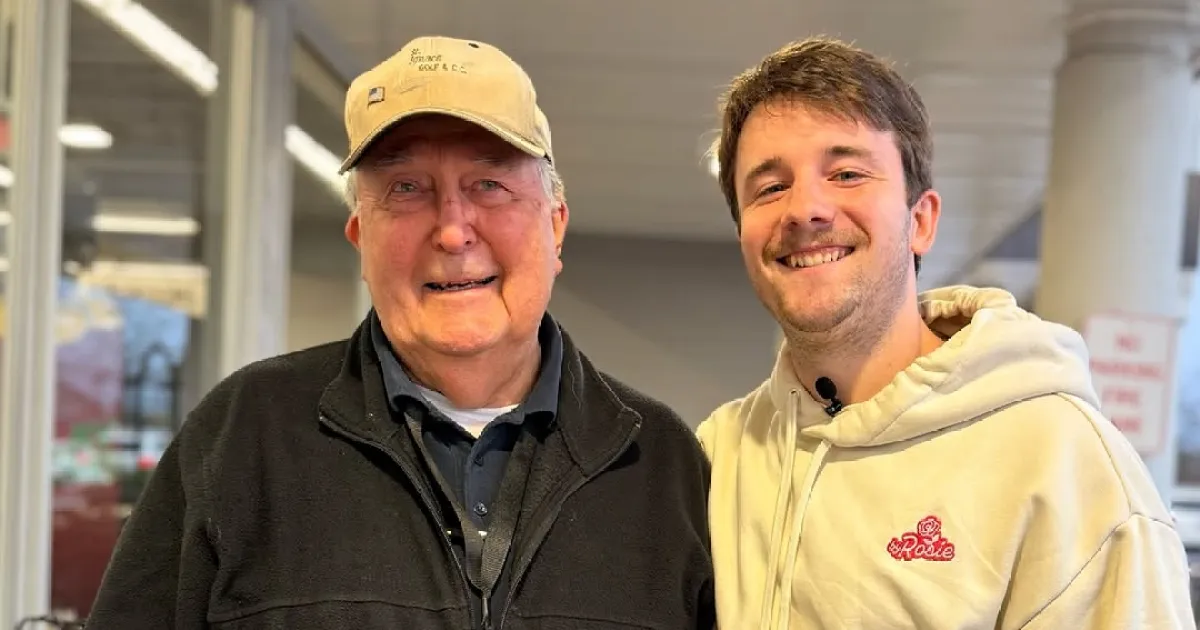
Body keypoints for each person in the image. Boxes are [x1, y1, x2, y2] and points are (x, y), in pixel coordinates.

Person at [87, 35, 715, 629]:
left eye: (490, 184)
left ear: (555, 225)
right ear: (361, 237)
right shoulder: (242, 438)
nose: (453, 230)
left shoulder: (661, 463)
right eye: (406, 189)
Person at [697, 36, 1195, 629]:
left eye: (847, 173)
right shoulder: (720, 455)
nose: (805, 209)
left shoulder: (1065, 464)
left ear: (922, 221)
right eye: (770, 187)